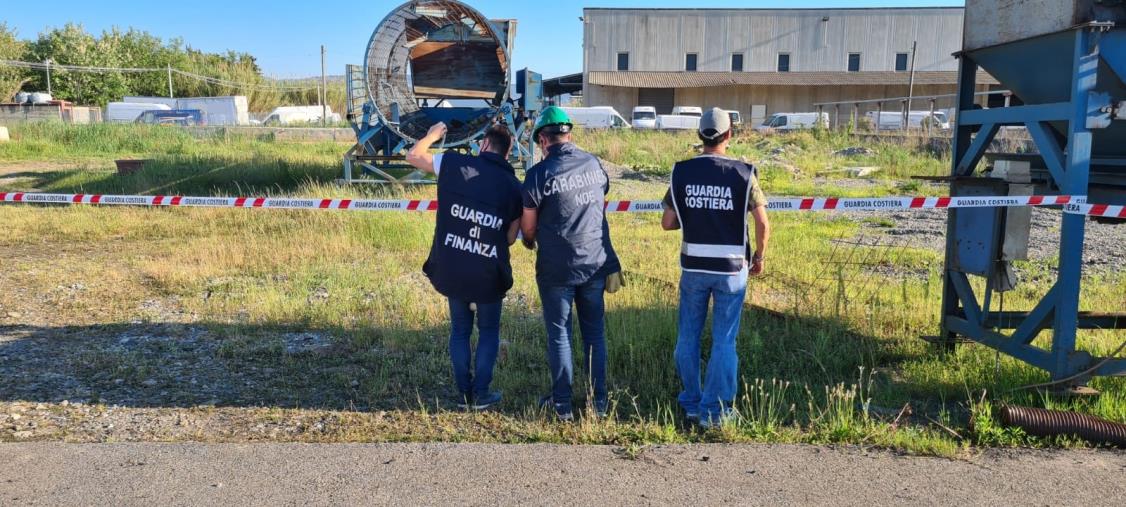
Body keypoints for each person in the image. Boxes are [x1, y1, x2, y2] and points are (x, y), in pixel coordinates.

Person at [661, 108, 771, 428]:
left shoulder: (681, 172)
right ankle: (716, 411)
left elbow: (668, 222)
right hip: (731, 269)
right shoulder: (744, 173)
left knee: (688, 337)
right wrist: (759, 258)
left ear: (700, 136)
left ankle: (692, 403)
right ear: (729, 135)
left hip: (693, 266)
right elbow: (763, 224)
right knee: (724, 340)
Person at [405, 121, 523, 411]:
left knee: (459, 331)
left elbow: (413, 156)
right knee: (489, 332)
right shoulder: (514, 187)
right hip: (488, 273)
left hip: (454, 267)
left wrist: (432, 134)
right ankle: (481, 394)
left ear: (483, 145)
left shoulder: (454, 163)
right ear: (507, 154)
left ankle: (463, 394)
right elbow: (510, 238)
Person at [521, 106, 622, 421]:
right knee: (594, 334)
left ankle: (562, 406)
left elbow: (527, 227)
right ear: (569, 135)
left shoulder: (538, 174)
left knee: (560, 333)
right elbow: (599, 196)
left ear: (543, 141)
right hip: (594, 262)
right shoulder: (593, 163)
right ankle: (599, 403)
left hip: (556, 268)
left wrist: (529, 241)